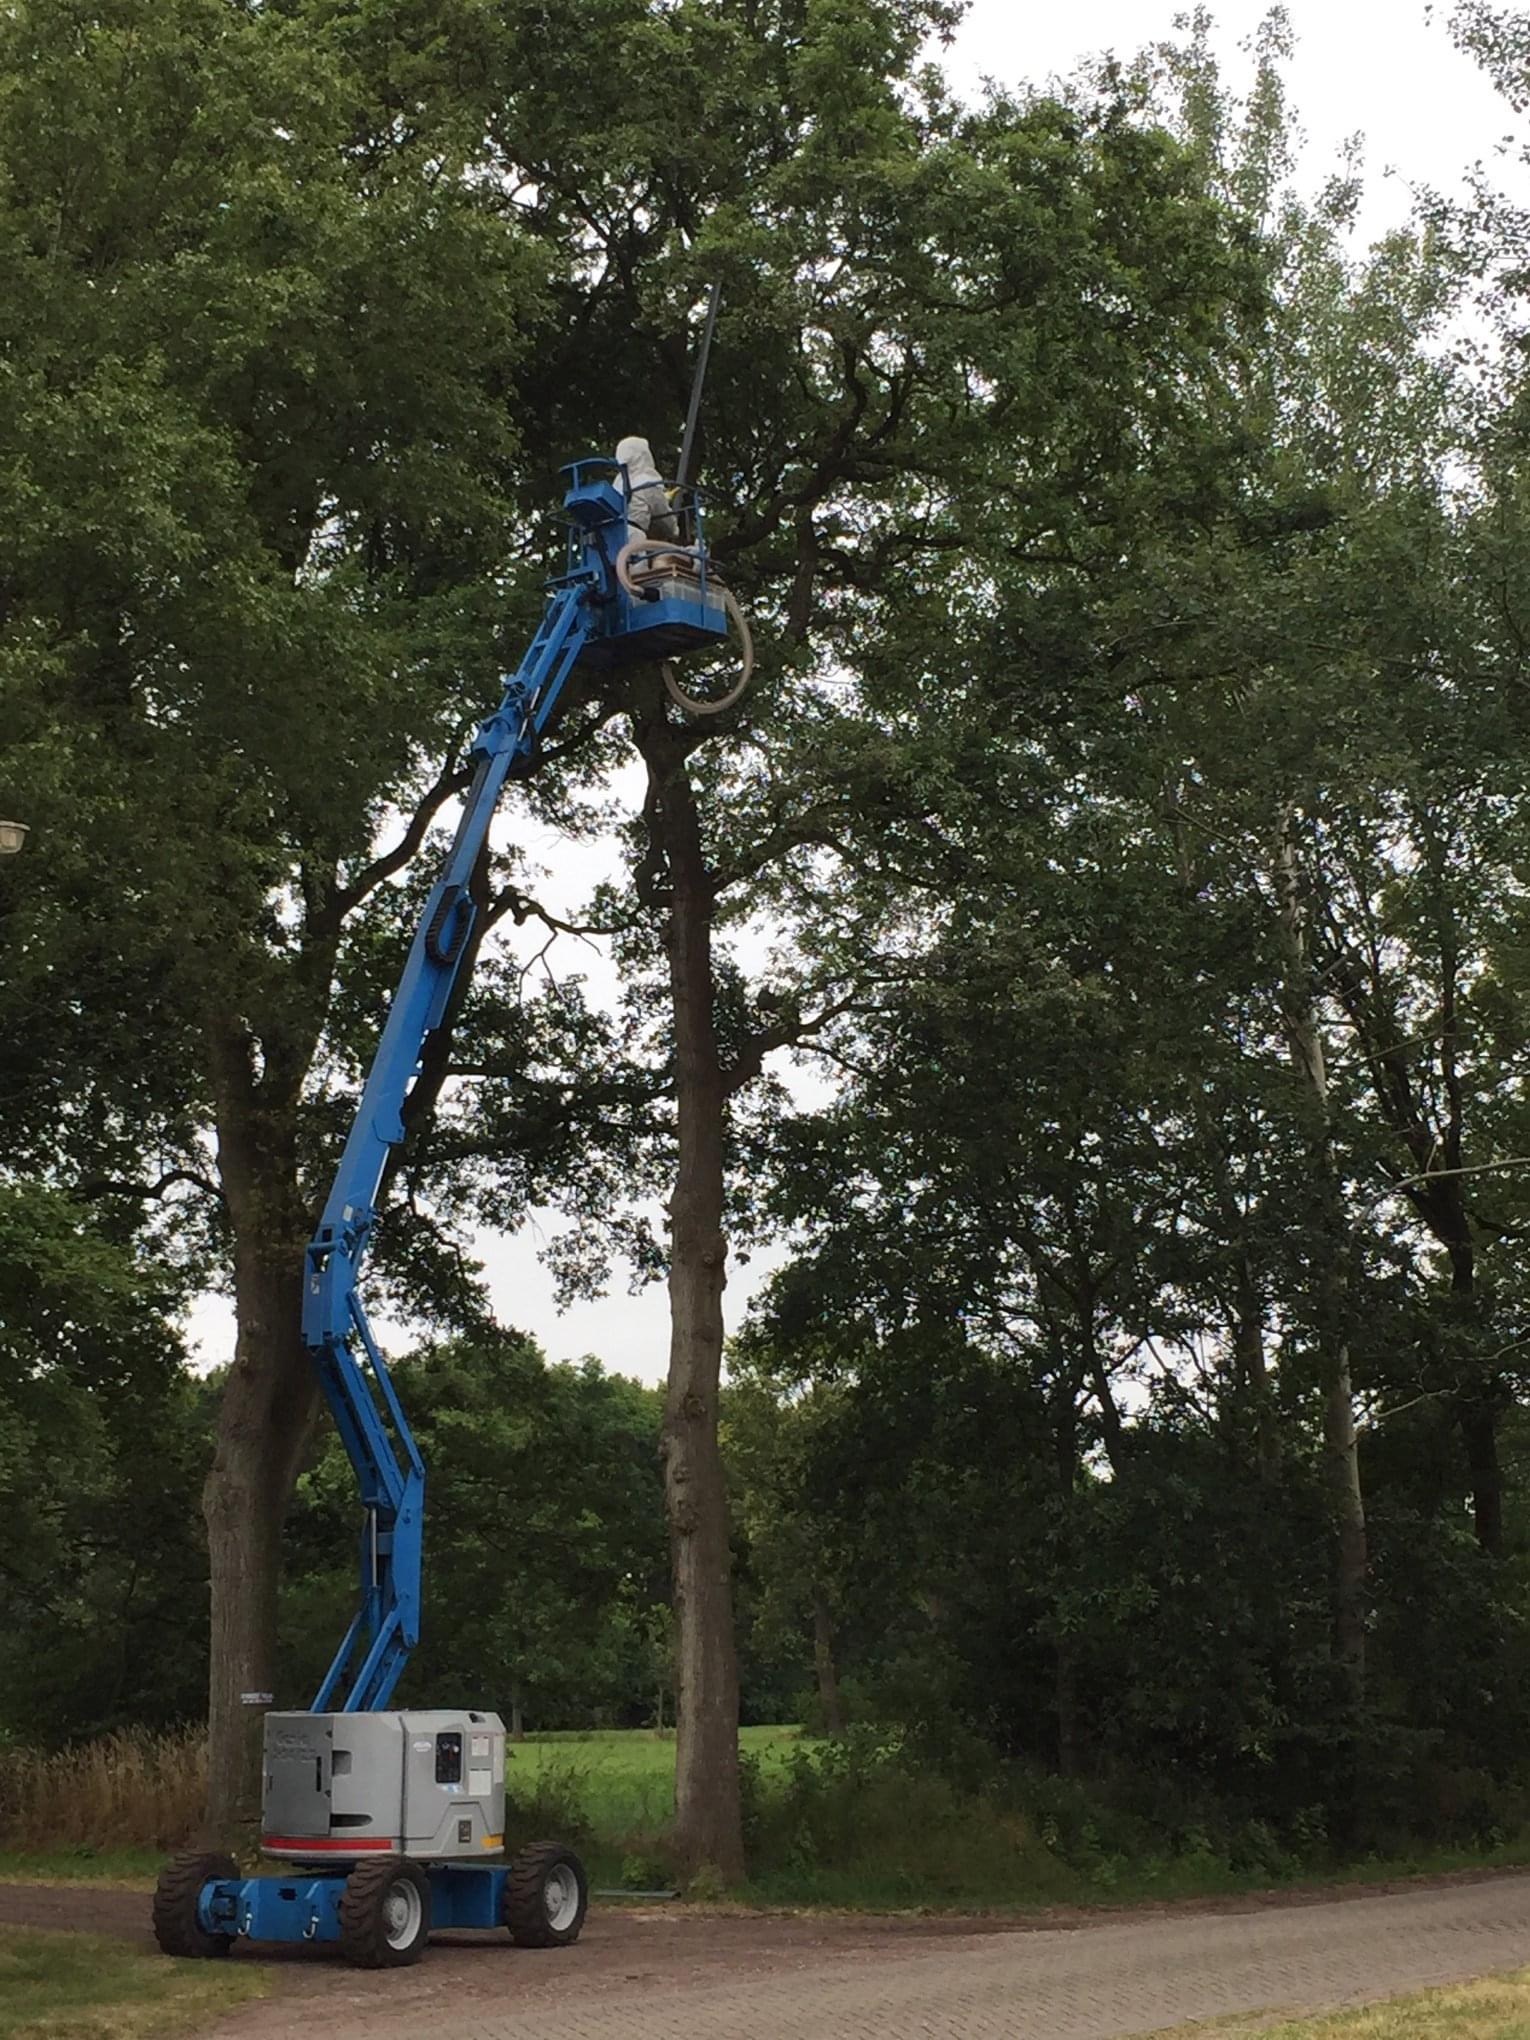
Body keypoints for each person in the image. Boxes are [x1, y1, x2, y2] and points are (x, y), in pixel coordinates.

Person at [615, 435, 678, 545]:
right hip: (633, 536)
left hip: (608, 534)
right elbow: (663, 513)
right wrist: (675, 530)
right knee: (639, 561)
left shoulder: (617, 482)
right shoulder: (647, 481)